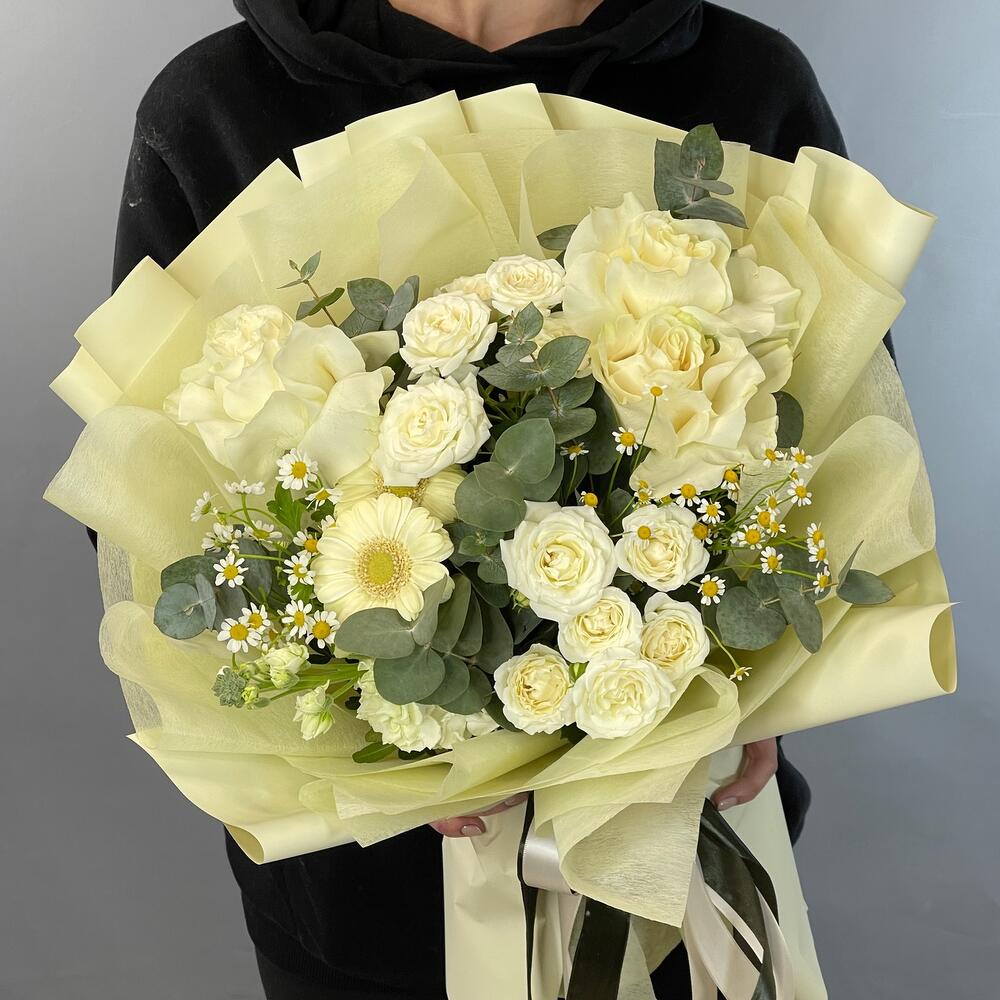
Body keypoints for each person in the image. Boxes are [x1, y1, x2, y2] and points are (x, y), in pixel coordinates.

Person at [110, 2, 842, 996]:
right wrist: (372, 746)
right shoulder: (219, 106)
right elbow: (148, 491)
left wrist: (765, 684)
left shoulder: (743, 80)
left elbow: (833, 437)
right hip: (364, 886)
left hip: (679, 838)